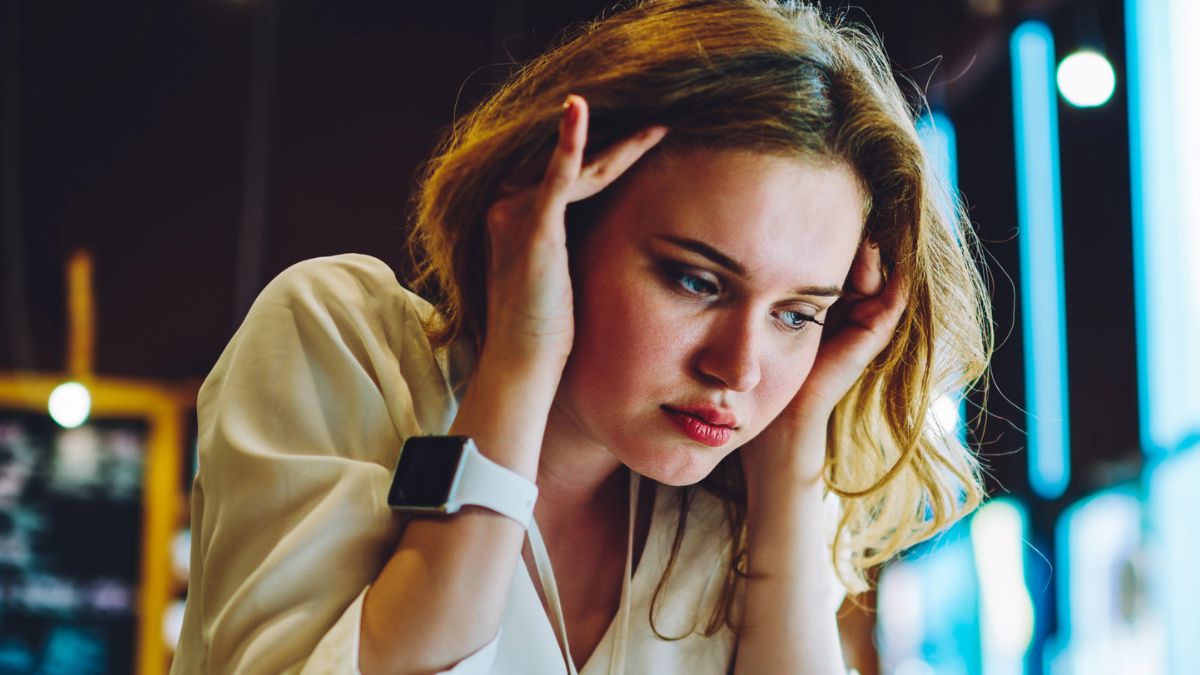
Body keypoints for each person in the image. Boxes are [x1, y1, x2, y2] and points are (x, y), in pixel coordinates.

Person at [170, 0, 992, 673]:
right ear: (560, 225)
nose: (737, 368)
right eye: (696, 280)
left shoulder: (721, 512)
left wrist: (792, 456)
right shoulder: (341, 341)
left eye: (797, 313)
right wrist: (521, 365)